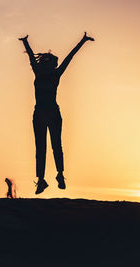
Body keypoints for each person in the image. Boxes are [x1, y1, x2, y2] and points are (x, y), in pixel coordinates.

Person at [19, 32, 95, 194]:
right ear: (48, 63)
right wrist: (25, 43)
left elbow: (70, 57)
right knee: (41, 147)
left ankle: (59, 175)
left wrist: (82, 41)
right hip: (41, 113)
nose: (55, 65)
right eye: (54, 63)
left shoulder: (53, 74)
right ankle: (41, 180)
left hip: (51, 113)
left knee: (55, 145)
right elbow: (31, 57)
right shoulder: (40, 72)